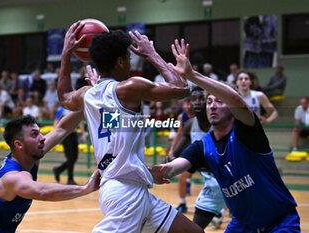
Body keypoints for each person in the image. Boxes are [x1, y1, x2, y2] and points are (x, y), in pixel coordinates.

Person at [57, 21, 203, 233]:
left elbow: (63, 97)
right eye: (128, 58)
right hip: (124, 193)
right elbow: (181, 88)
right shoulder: (130, 88)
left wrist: (65, 53)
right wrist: (151, 54)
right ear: (119, 62)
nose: (130, 62)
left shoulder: (87, 94)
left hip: (129, 188)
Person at [151, 39, 300, 233]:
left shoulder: (247, 129)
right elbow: (171, 169)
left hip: (279, 223)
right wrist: (149, 172)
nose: (212, 105)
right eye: (209, 101)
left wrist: (192, 75)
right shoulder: (203, 146)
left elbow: (235, 98)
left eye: (219, 101)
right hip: (243, 225)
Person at [0, 114, 101, 233]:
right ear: (19, 144)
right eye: (34, 134)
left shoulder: (29, 155)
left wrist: (85, 106)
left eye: (39, 132)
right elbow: (43, 192)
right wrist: (85, 189)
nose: (42, 137)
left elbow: (62, 129)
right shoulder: (13, 177)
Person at [166, 86, 226, 229]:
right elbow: (175, 155)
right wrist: (165, 164)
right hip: (212, 185)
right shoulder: (189, 124)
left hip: (232, 182)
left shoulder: (222, 123)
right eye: (194, 99)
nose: (197, 102)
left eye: (202, 99)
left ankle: (222, 211)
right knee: (195, 229)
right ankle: (216, 211)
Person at [53, 106, 86, 185]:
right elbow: (56, 122)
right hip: (65, 135)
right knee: (70, 158)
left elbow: (79, 121)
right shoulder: (61, 109)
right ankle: (70, 179)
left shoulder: (74, 108)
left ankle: (58, 170)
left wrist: (83, 133)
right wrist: (55, 135)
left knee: (74, 157)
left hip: (74, 134)